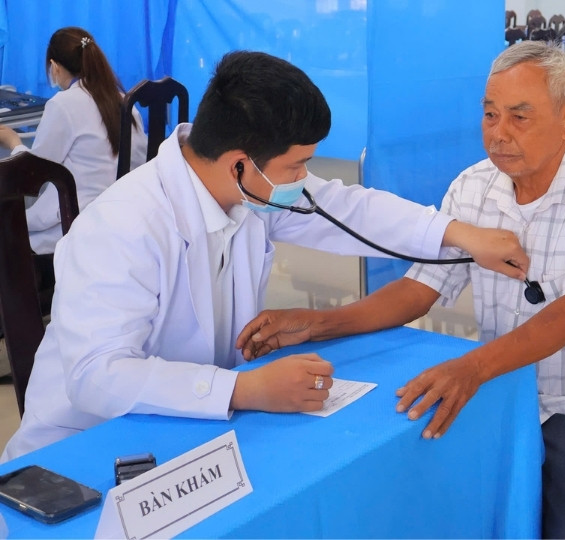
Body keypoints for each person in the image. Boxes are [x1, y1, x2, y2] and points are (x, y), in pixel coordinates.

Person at [0, 51, 530, 461]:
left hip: (189, 429)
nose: (305, 180)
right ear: (239, 163)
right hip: (81, 450)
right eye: (298, 165)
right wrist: (242, 387)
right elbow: (98, 377)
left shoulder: (248, 192)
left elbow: (351, 209)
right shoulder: (122, 226)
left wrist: (460, 234)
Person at [237, 41, 565, 539]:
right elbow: (419, 290)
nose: (498, 134)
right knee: (433, 501)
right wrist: (316, 324)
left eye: (519, 118)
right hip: (502, 389)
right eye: (490, 114)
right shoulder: (473, 186)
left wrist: (472, 366)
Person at [0, 27, 147, 254]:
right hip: (123, 223)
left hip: (75, 226)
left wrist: (13, 141)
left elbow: (32, 175)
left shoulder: (64, 105)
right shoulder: (124, 102)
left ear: (55, 66)